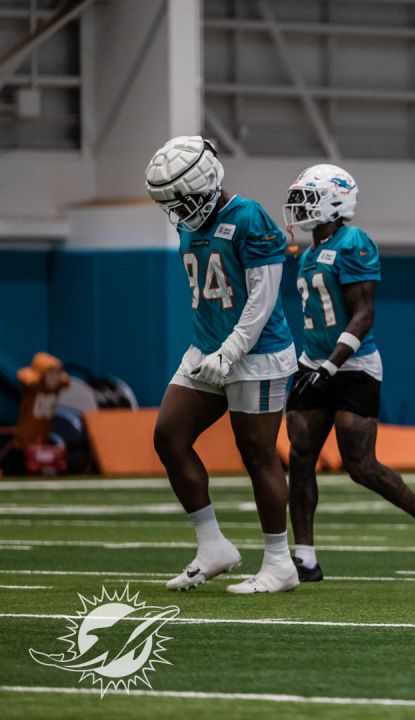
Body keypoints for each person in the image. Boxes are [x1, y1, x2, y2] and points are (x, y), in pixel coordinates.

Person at [282, 164, 415, 582]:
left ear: (336, 201)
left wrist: (331, 365)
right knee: (301, 456)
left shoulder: (354, 243)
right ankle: (304, 557)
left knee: (360, 464)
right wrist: (316, 365)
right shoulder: (307, 253)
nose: (301, 207)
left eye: (309, 197)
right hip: (314, 362)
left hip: (354, 364)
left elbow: (364, 314)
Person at [145, 136, 299, 593]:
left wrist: (230, 351)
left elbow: (264, 298)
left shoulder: (250, 217)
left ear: (208, 182)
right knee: (169, 436)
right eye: (174, 202)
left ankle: (280, 564)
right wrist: (212, 351)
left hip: (258, 354)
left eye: (186, 199)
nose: (180, 210)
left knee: (257, 454)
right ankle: (213, 546)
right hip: (206, 348)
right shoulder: (188, 224)